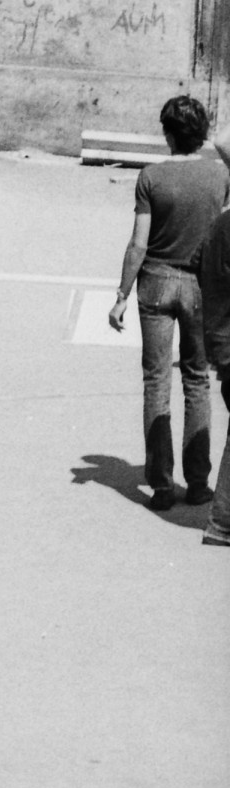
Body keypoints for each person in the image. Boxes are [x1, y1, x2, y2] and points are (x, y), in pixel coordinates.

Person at [108, 95, 227, 511]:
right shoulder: (218, 176)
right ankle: (198, 482)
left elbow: (138, 243)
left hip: (155, 285)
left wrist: (121, 295)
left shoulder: (151, 177)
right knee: (197, 380)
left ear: (168, 134)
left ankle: (161, 485)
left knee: (157, 382)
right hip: (200, 288)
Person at [191, 150, 230, 544]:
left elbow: (199, 263)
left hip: (221, 344)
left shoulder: (220, 225)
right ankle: (220, 524)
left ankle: (221, 524)